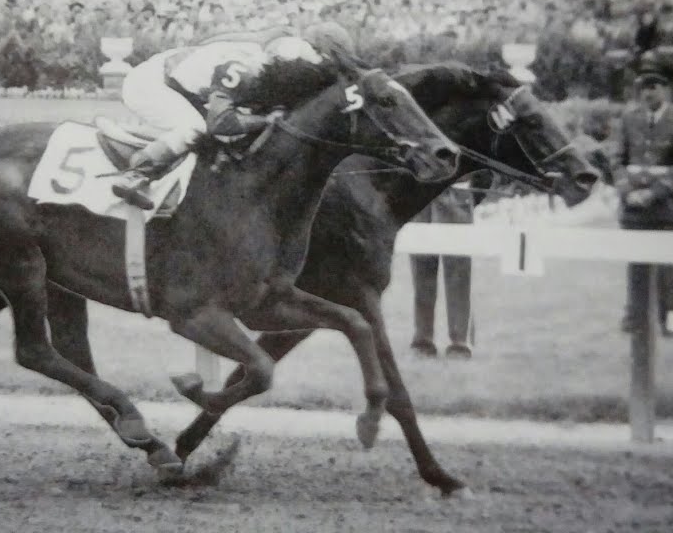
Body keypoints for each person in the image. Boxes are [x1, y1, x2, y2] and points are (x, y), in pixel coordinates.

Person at [110, 21, 359, 210]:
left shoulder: (279, 53)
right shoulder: (255, 67)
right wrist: (264, 120)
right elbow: (220, 123)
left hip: (185, 81)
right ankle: (136, 174)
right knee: (195, 128)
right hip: (151, 82)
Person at [610, 51, 673, 336]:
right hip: (633, 205)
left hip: (663, 205)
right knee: (636, 265)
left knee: (664, 264)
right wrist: (626, 191)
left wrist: (655, 193)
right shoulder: (628, 119)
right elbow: (616, 159)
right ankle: (634, 315)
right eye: (644, 87)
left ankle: (669, 317)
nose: (648, 93)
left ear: (665, 89)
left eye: (654, 86)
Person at [409, 176, 476, 359]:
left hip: (456, 195)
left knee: (458, 274)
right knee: (421, 273)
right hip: (421, 197)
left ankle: (460, 343)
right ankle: (422, 341)